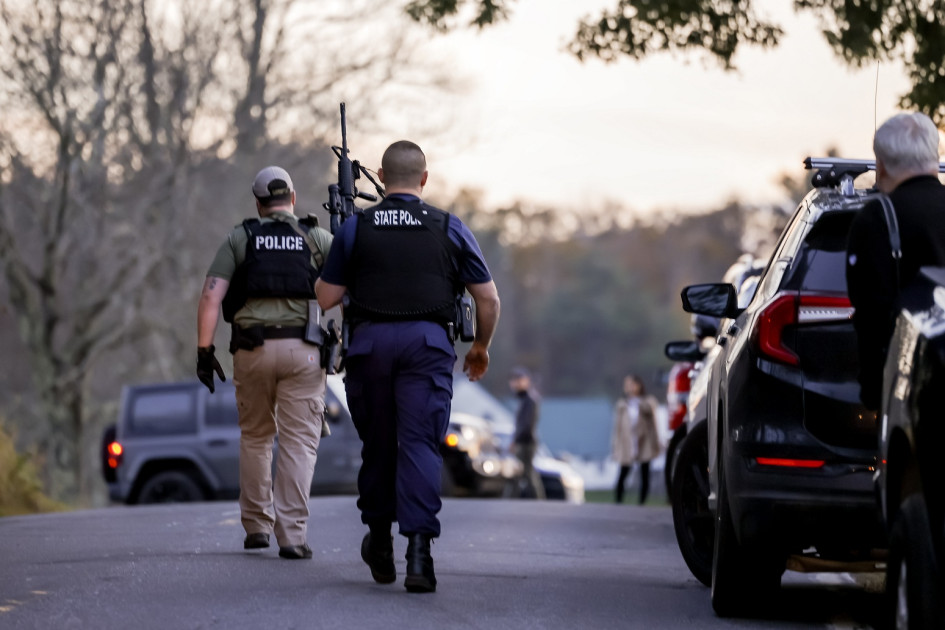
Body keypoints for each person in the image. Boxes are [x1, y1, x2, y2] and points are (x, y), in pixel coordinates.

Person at [315, 140, 500, 593]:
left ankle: (379, 542)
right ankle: (419, 554)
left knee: (379, 445)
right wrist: (480, 347)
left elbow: (325, 298)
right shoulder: (449, 227)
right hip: (427, 346)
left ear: (381, 174)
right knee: (419, 445)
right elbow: (488, 298)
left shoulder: (357, 227)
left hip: (370, 345)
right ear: (424, 178)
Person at [196, 165, 333, 560]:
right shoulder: (316, 237)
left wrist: (205, 352)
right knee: (298, 442)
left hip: (251, 350)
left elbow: (211, 298)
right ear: (292, 198)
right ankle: (291, 536)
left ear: (258, 204)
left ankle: (256, 526)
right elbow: (345, 287)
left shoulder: (240, 238)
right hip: (304, 352)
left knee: (256, 436)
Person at [846, 112, 945, 410]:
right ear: (934, 155)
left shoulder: (876, 219)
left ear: (882, 165)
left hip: (914, 388)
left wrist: (873, 391)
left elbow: (871, 313)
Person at [611, 374, 661, 505]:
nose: (629, 387)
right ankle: (618, 501)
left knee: (645, 473)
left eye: (631, 384)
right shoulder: (622, 405)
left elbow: (652, 418)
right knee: (623, 472)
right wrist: (616, 445)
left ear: (638, 385)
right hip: (627, 443)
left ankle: (641, 503)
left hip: (644, 442)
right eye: (626, 385)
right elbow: (618, 428)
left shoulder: (647, 402)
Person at [508, 366, 545, 500]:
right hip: (522, 441)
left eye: (519, 379)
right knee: (521, 474)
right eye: (514, 380)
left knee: (528, 473)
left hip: (527, 443)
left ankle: (538, 501)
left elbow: (527, 425)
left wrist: (516, 441)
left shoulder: (530, 400)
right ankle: (513, 499)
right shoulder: (523, 399)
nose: (515, 383)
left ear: (527, 380)